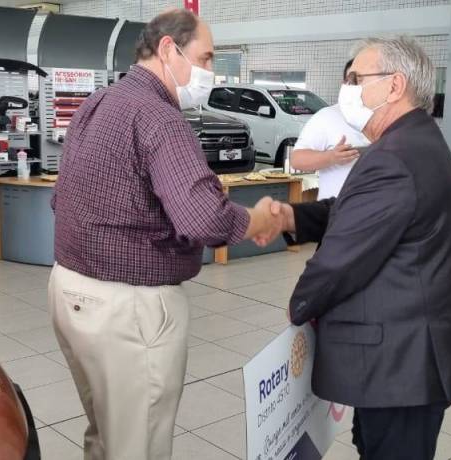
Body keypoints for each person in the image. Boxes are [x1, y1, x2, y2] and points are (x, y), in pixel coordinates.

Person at [48, 10, 281, 459]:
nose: (211, 73)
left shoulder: (98, 102)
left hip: (69, 290)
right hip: (127, 309)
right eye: (206, 58)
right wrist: (257, 220)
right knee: (137, 445)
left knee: (105, 433)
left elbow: (62, 198)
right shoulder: (160, 118)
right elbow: (203, 218)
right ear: (169, 49)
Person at [264, 36, 451, 460]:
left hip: (400, 363)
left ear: (394, 86)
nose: (346, 89)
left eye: (355, 79)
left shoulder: (394, 156)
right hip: (407, 355)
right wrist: (294, 218)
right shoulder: (413, 140)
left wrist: (300, 306)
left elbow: (340, 261)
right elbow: (362, 212)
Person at [290, 59, 370, 199]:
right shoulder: (326, 116)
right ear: (344, 84)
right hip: (336, 207)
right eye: (353, 81)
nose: (357, 86)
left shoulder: (386, 115)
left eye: (362, 80)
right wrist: (332, 157)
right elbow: (297, 160)